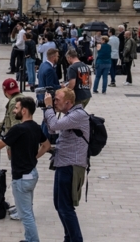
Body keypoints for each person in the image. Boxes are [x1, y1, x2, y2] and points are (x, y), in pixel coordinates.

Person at [0, 96, 50, 242]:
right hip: (32, 174)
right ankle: (29, 238)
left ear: (24, 111)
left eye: (16, 108)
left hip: (21, 178)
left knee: (25, 215)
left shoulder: (18, 129)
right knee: (28, 210)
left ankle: (33, 240)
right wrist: (34, 157)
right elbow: (47, 145)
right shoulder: (36, 127)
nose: (14, 111)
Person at [43, 88, 89, 242]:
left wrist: (49, 107)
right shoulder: (69, 115)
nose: (55, 102)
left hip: (71, 166)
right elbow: (52, 128)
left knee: (66, 207)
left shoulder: (78, 115)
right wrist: (49, 111)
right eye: (54, 99)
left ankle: (76, 239)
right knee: (59, 205)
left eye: (57, 100)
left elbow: (54, 125)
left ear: (68, 102)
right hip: (63, 163)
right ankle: (69, 238)